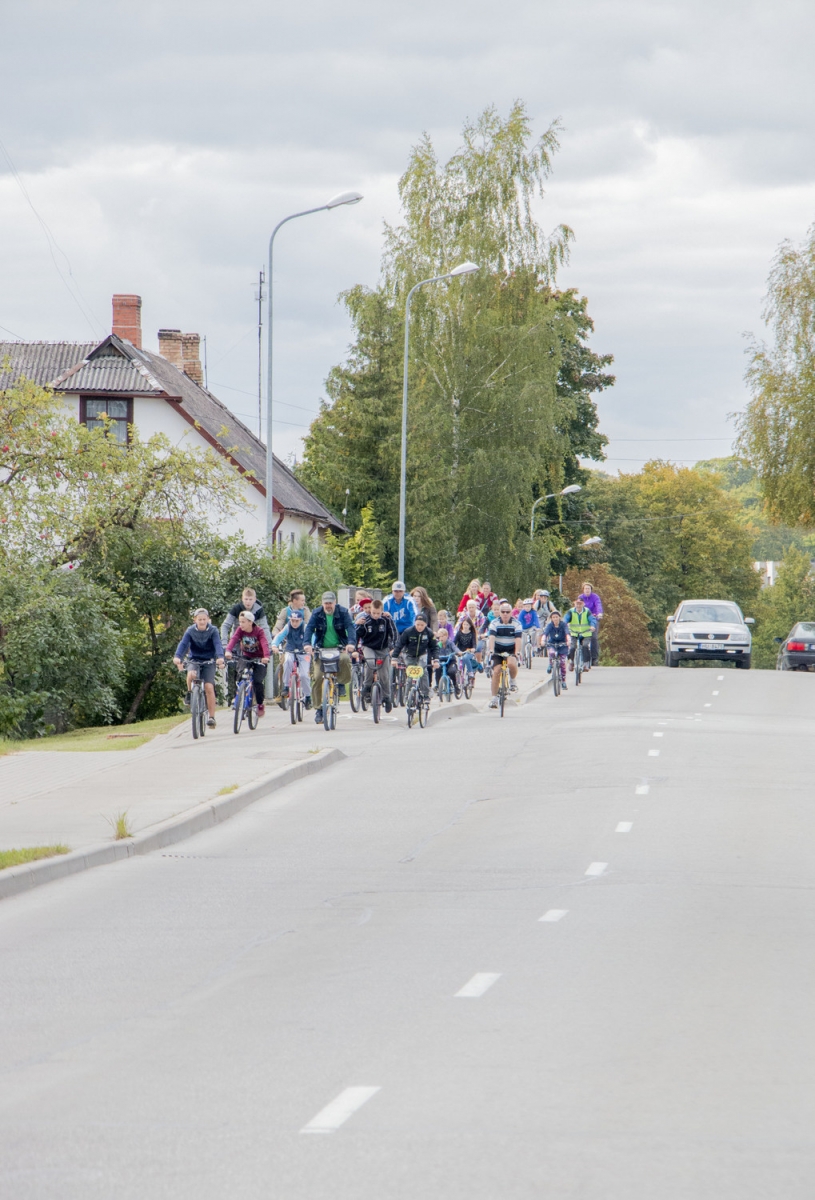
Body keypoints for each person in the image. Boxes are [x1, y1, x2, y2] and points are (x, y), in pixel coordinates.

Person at [305, 591, 356, 724]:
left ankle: (340, 683)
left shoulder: (343, 612)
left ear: (335, 603)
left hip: (339, 647)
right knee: (317, 678)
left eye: (330, 603)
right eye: (326, 603)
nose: (328, 606)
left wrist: (351, 643)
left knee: (344, 659)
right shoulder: (317, 613)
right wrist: (307, 644)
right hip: (321, 649)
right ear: (322, 604)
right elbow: (309, 629)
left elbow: (350, 628)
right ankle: (319, 709)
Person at [173, 608, 225, 728]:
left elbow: (218, 644)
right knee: (191, 674)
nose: (202, 622)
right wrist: (177, 657)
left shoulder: (213, 630)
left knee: (209, 686)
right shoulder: (190, 631)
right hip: (194, 659)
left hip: (209, 660)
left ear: (208, 620)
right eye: (199, 619)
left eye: (204, 619)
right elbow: (183, 644)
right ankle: (190, 693)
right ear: (195, 620)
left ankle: (211, 717)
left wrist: (220, 657)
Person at [221, 587, 272, 703]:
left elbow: (264, 628)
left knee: (257, 675)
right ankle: (237, 696)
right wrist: (225, 644)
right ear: (242, 599)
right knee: (238, 668)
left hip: (255, 643)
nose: (248, 602)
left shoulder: (259, 611)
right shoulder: (236, 609)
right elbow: (226, 625)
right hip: (238, 640)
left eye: (250, 599)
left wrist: (268, 648)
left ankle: (255, 698)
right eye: (246, 599)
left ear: (254, 599)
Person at [225, 610, 270, 716]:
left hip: (259, 658)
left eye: (243, 622)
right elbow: (234, 639)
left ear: (250, 622)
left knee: (258, 681)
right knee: (240, 674)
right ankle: (239, 696)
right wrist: (228, 650)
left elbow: (264, 643)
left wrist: (266, 657)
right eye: (240, 622)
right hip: (246, 656)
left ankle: (259, 704)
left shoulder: (259, 631)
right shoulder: (240, 630)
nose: (241, 624)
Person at [355, 598, 397, 712]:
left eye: (378, 613)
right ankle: (367, 686)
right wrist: (354, 649)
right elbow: (357, 635)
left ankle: (387, 697)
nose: (376, 615)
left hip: (382, 648)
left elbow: (393, 633)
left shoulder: (386, 620)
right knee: (370, 662)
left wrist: (393, 647)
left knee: (384, 673)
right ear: (371, 611)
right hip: (368, 646)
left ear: (382, 611)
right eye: (373, 613)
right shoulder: (365, 621)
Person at [271, 608, 312, 709]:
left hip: (304, 652)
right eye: (292, 620)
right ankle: (286, 686)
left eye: (296, 621)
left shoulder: (305, 627)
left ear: (301, 620)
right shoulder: (288, 627)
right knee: (287, 661)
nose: (294, 623)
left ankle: (307, 697)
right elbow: (279, 636)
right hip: (290, 650)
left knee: (304, 675)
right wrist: (274, 645)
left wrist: (312, 647)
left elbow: (313, 638)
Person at [394, 612, 439, 700]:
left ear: (425, 624)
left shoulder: (429, 633)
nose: (419, 627)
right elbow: (399, 644)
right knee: (410, 676)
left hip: (422, 655)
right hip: (409, 655)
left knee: (423, 672)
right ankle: (407, 696)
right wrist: (394, 658)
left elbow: (434, 647)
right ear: (414, 623)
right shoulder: (408, 632)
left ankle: (425, 695)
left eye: (422, 625)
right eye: (418, 624)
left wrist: (436, 659)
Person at [487, 601, 522, 709]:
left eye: (507, 612)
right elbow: (491, 638)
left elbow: (518, 639)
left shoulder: (517, 623)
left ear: (511, 612)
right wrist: (491, 650)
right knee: (496, 671)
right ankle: (494, 698)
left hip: (511, 649)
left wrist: (517, 652)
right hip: (498, 649)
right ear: (500, 613)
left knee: (511, 663)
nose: (505, 614)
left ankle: (512, 680)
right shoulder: (494, 623)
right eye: (503, 612)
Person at [564, 595, 595, 671]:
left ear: (583, 604)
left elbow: (592, 619)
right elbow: (565, 619)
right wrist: (564, 624)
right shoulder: (571, 611)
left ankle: (585, 663)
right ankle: (571, 662)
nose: (578, 605)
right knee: (572, 647)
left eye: (580, 604)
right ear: (574, 604)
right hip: (574, 633)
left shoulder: (587, 611)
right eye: (577, 603)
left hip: (586, 633)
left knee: (585, 646)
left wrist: (592, 626)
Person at [543, 609, 569, 689]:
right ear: (551, 618)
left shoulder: (563, 624)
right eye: (553, 617)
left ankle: (563, 681)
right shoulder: (550, 625)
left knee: (562, 663)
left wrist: (568, 640)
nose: (555, 619)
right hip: (552, 643)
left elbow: (567, 632)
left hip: (562, 644)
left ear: (559, 618)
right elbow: (545, 633)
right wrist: (543, 640)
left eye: (556, 617)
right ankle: (551, 664)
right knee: (551, 653)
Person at [580, 580, 604, 666]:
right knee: (580, 636)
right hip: (583, 620)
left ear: (591, 589)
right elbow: (577, 607)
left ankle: (594, 658)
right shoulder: (580, 597)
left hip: (593, 619)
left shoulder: (595, 597)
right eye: (585, 588)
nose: (587, 590)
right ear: (583, 589)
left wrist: (599, 613)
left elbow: (598, 605)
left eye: (589, 588)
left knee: (594, 637)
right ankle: (581, 655)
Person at [434, 627, 461, 697]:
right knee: (438, 670)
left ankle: (455, 685)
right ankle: (438, 686)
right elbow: (434, 651)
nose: (441, 638)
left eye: (443, 636)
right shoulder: (438, 644)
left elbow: (455, 648)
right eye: (440, 637)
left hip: (450, 661)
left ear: (447, 636)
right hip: (441, 661)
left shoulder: (450, 643)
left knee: (451, 671)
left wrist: (458, 652)